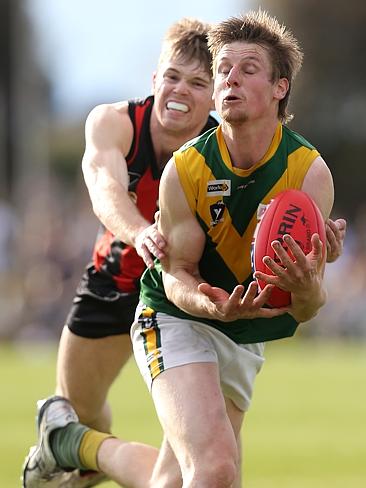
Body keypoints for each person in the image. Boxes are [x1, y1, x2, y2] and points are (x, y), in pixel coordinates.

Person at [129, 9, 342, 488]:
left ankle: (78, 450)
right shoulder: (185, 170)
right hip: (174, 316)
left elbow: (307, 307)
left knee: (180, 477)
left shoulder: (308, 173)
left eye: (248, 70)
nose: (230, 79)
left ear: (279, 88)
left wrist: (305, 287)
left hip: (243, 334)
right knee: (216, 468)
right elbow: (175, 272)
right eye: (223, 69)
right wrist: (211, 304)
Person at [22, 17, 217, 488]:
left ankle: (72, 452)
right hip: (115, 281)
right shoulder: (113, 122)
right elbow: (105, 187)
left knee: (203, 457)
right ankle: (77, 452)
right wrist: (140, 231)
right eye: (172, 76)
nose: (180, 91)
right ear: (154, 79)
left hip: (186, 293)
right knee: (79, 416)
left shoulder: (222, 147)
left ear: (213, 96)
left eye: (197, 83)